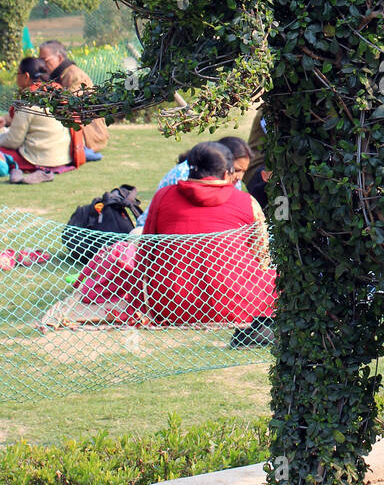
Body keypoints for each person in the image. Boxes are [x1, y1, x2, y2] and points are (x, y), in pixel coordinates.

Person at [141, 142, 275, 336]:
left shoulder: (163, 196)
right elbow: (262, 257)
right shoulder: (246, 201)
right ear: (227, 172)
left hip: (170, 307)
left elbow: (145, 253)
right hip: (237, 308)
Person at [136, 136, 253, 229]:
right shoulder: (182, 175)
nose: (239, 177)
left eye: (244, 171)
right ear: (223, 161)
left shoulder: (233, 181)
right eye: (237, 170)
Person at [0, 57, 73, 179]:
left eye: (18, 73)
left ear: (26, 76)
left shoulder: (28, 100)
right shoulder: (56, 92)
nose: (16, 78)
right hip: (63, 157)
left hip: (39, 159)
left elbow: (13, 141)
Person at [38, 40, 109, 155]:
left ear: (59, 58)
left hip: (89, 138)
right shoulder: (61, 75)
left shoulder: (75, 76)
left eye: (44, 60)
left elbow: (68, 106)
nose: (42, 65)